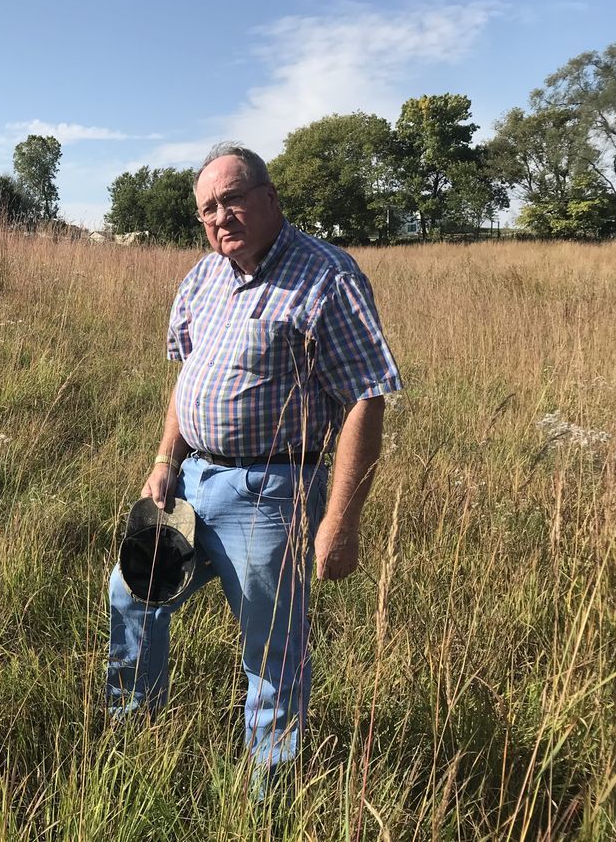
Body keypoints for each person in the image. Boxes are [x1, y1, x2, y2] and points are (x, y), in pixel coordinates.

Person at [107, 142, 402, 790]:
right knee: (131, 594)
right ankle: (133, 737)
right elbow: (191, 381)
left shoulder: (327, 276)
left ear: (269, 198)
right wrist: (164, 460)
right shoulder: (204, 277)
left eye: (232, 199)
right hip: (190, 483)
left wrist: (340, 522)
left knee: (271, 653)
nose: (220, 217)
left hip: (273, 490)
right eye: (208, 208)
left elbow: (364, 398)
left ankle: (271, 795)